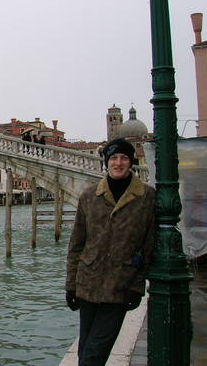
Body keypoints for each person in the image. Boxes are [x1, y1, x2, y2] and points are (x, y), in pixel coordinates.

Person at [65, 138, 156, 366]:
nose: (118, 163)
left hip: (120, 286)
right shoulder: (89, 195)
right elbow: (76, 244)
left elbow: (148, 246)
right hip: (87, 283)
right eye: (113, 158)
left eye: (124, 158)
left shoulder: (146, 197)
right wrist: (70, 286)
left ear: (131, 162)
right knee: (86, 349)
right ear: (106, 162)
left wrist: (137, 286)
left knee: (94, 354)